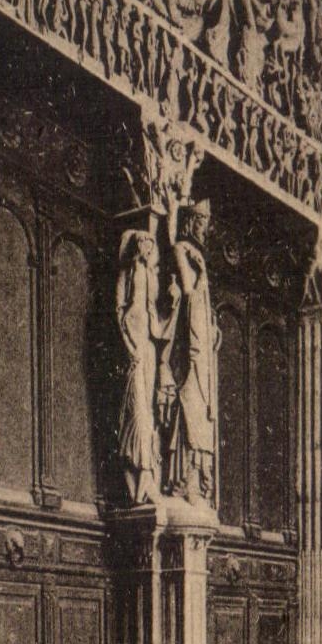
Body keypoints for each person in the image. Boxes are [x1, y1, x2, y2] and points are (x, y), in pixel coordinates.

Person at [164, 195, 219, 504]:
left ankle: (197, 482)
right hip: (190, 347)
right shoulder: (186, 251)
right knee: (190, 406)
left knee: (203, 412)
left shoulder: (198, 256)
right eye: (200, 221)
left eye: (206, 223)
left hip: (202, 343)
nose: (204, 228)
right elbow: (188, 288)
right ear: (190, 222)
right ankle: (184, 481)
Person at [116, 229, 173, 505]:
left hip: (148, 342)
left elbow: (155, 314)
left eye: (150, 243)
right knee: (137, 410)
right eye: (142, 242)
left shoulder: (152, 274)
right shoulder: (128, 272)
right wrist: (128, 348)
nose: (146, 247)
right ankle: (141, 474)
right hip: (134, 343)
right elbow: (119, 310)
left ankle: (147, 480)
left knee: (149, 411)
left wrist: (172, 303)